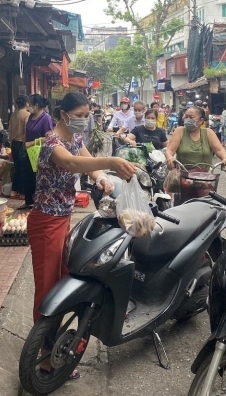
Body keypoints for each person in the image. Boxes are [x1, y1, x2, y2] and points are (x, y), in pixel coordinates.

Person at [29, 92, 137, 325]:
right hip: (46, 220)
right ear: (63, 115)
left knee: (63, 277)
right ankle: (43, 343)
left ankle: (53, 334)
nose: (84, 119)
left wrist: (101, 178)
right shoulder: (51, 142)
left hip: (64, 216)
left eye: (87, 115)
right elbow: (71, 163)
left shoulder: (75, 139)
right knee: (47, 285)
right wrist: (110, 162)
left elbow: (88, 165)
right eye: (79, 115)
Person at [165, 105, 226, 172]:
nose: (188, 119)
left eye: (191, 117)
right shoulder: (179, 131)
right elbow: (170, 150)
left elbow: (219, 150)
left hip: (205, 176)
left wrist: (225, 158)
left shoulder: (209, 133)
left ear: (201, 121)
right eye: (186, 117)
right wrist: (170, 157)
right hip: (183, 175)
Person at [23, 94, 54, 208]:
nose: (28, 106)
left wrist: (32, 143)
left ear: (36, 105)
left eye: (30, 104)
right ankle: (29, 203)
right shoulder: (30, 117)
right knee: (28, 177)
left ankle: (38, 204)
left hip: (40, 153)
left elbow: (49, 137)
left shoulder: (46, 118)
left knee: (38, 178)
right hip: (29, 153)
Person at [9, 96, 30, 200]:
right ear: (26, 103)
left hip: (14, 144)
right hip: (23, 144)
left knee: (17, 168)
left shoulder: (14, 114)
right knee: (24, 168)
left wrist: (10, 143)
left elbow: (10, 130)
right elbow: (27, 131)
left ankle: (13, 191)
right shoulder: (27, 115)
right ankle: (22, 193)